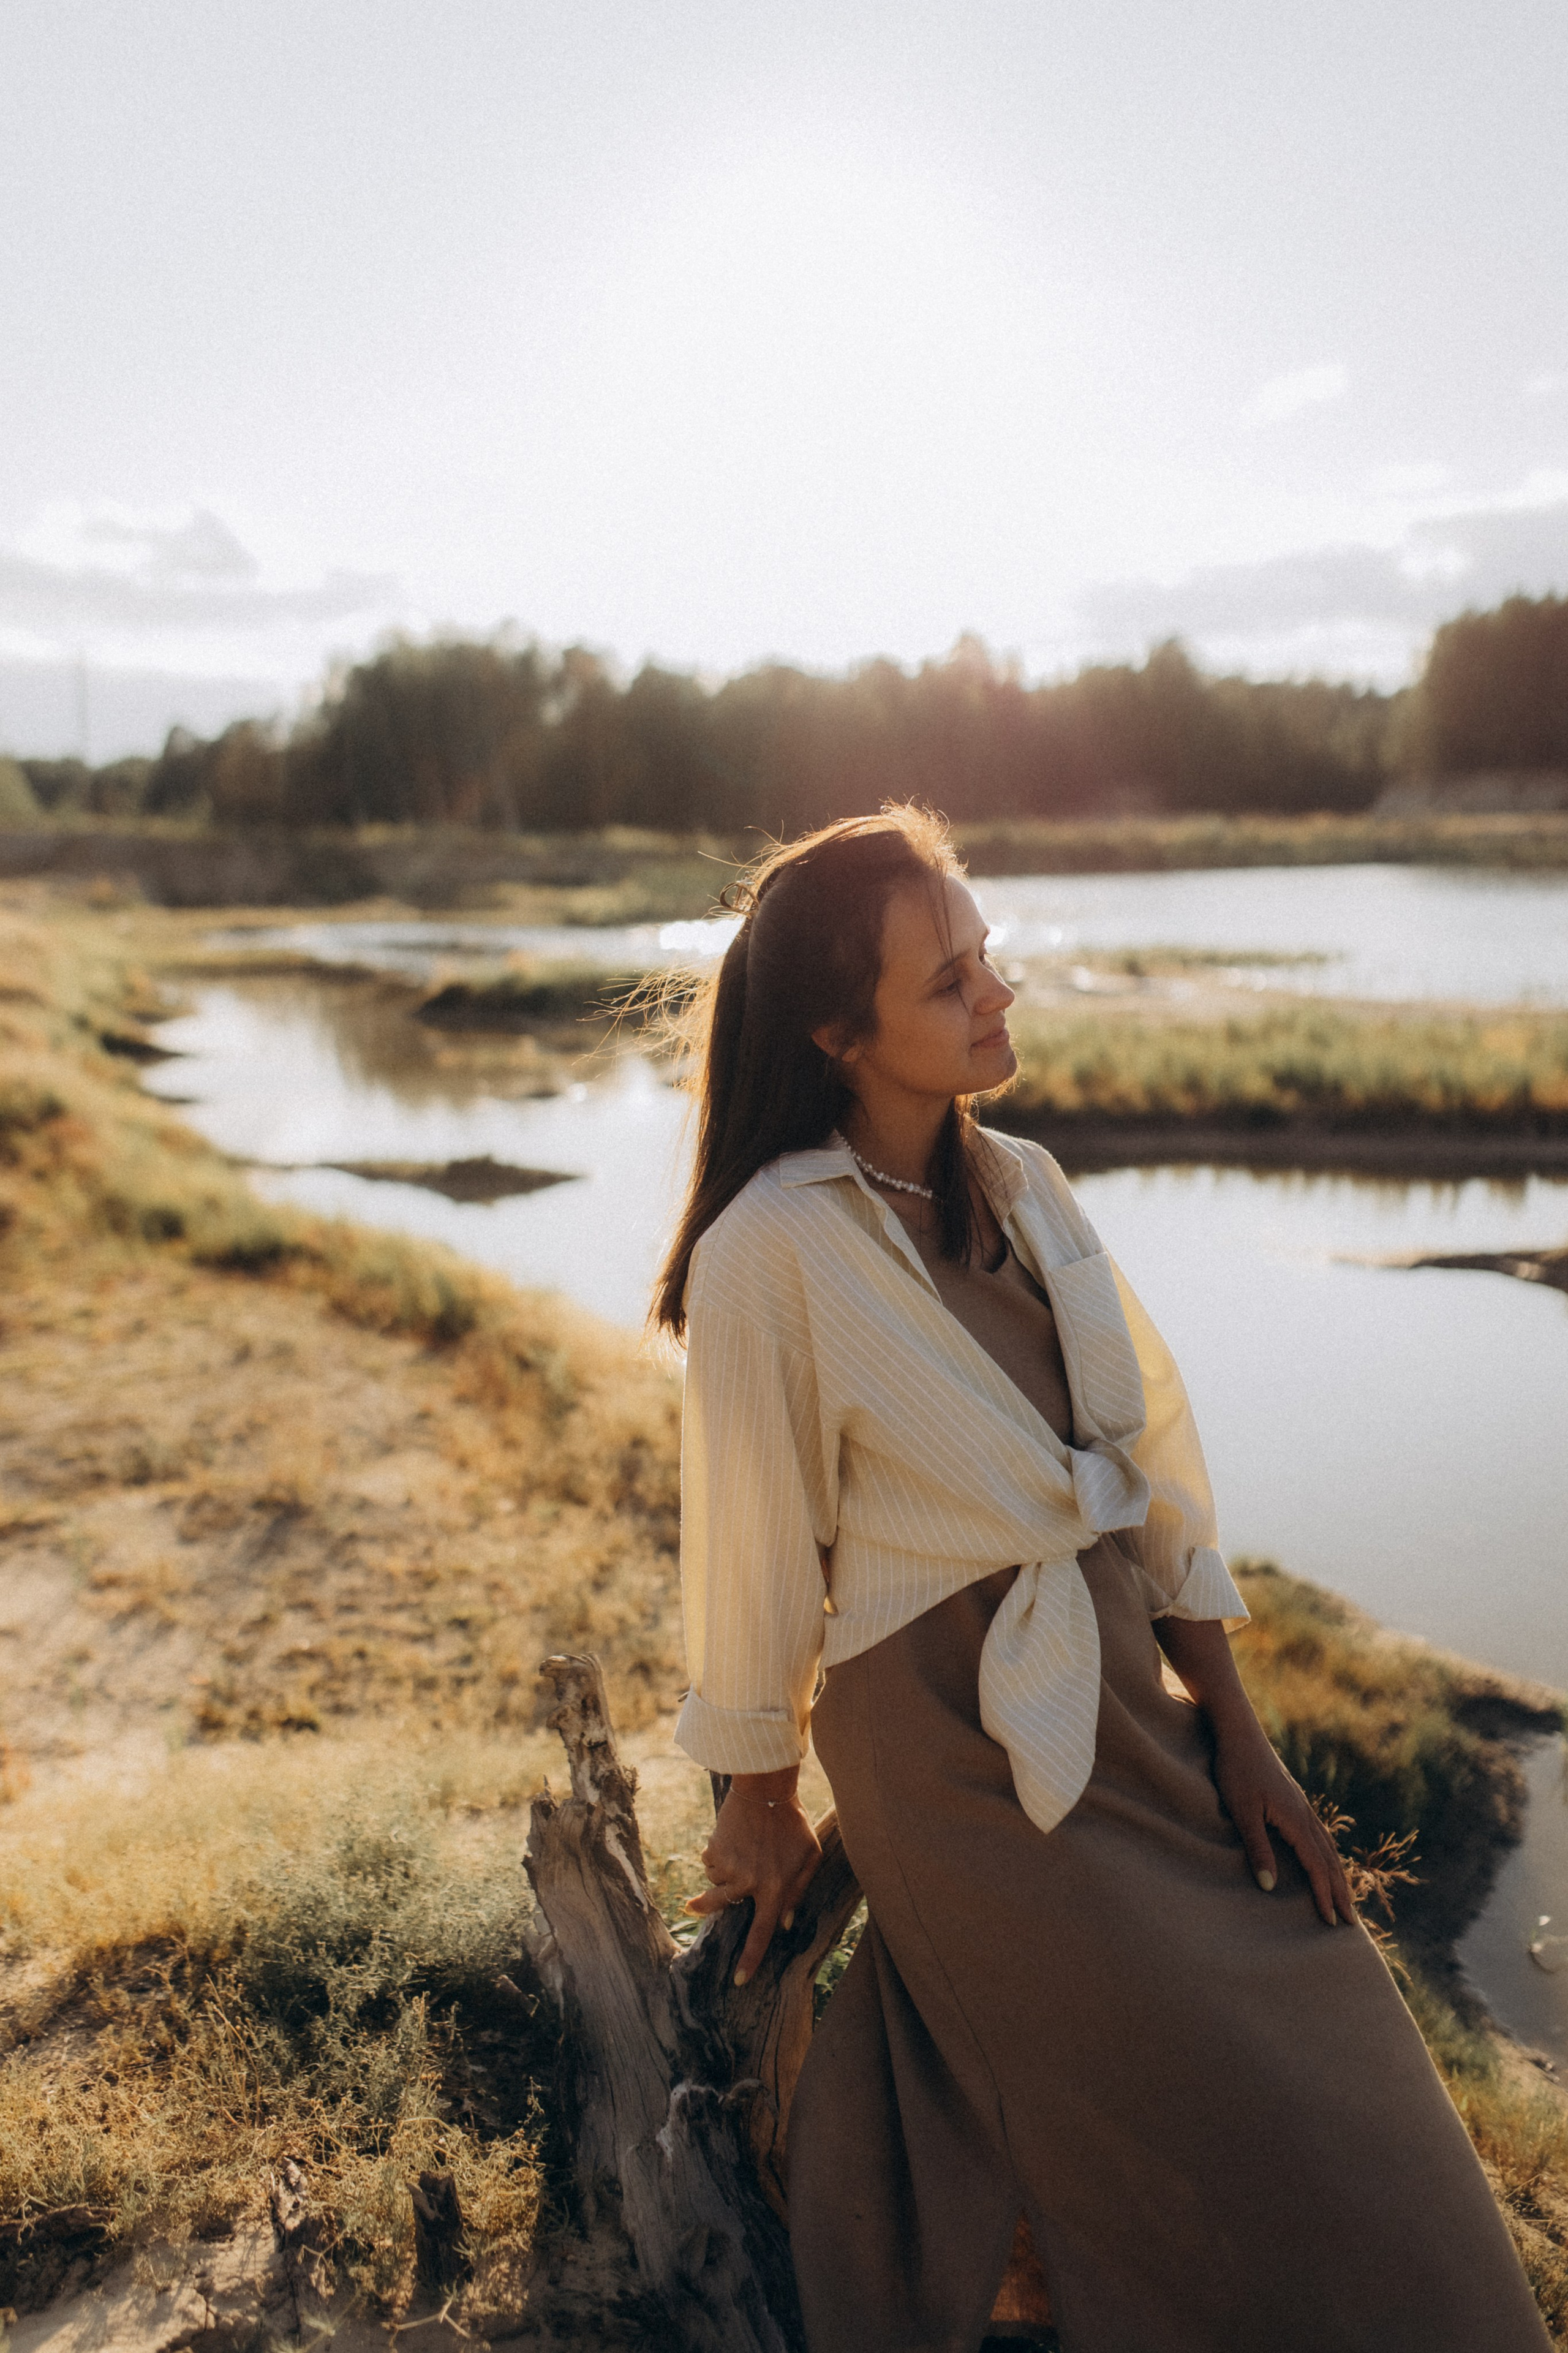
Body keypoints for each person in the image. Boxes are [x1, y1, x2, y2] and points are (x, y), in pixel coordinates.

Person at [654, 806, 1550, 2353]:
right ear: (836, 1033)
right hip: (948, 1749)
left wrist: (1240, 1738)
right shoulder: (768, 1250)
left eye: (986, 955)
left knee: (1332, 2017)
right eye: (947, 980)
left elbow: (1151, 1480)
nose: (995, 992)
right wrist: (757, 1793)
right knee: (1196, 2088)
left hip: (1126, 1699)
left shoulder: (1025, 1185)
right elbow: (749, 1544)